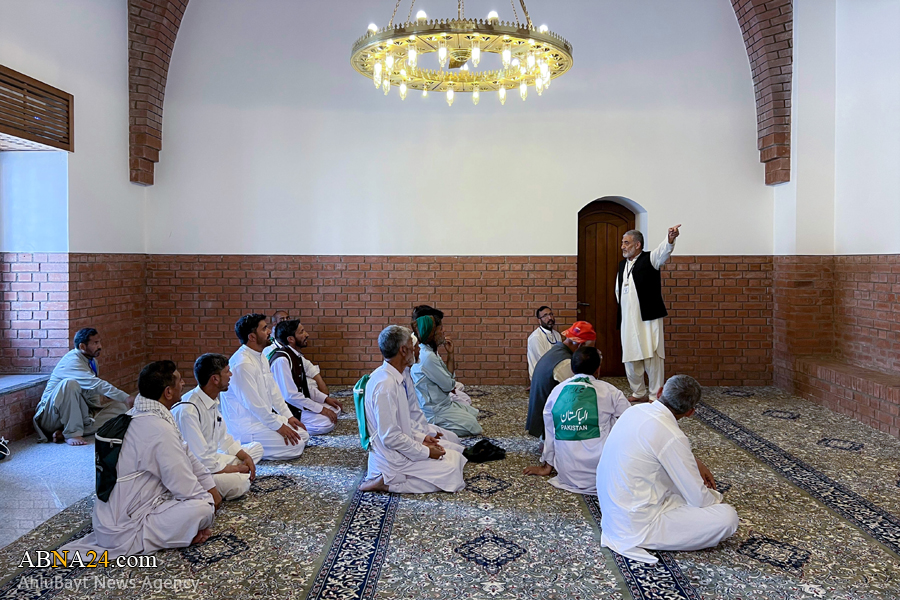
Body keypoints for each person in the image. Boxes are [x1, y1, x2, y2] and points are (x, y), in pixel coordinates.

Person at [62, 361, 221, 558]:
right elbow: (183, 485)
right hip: (125, 528)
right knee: (202, 509)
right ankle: (173, 535)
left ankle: (183, 532)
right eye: (180, 381)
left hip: (121, 514)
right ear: (168, 392)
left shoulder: (142, 414)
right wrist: (209, 502)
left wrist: (210, 487)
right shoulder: (157, 428)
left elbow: (186, 454)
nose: (183, 384)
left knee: (207, 492)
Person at [596, 374, 739, 564]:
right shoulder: (672, 436)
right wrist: (715, 497)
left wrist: (693, 461)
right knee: (727, 517)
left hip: (612, 513)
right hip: (637, 525)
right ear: (690, 412)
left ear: (660, 392)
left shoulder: (634, 411)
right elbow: (699, 500)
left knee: (676, 483)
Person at [359, 325, 467, 494]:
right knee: (452, 474)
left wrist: (421, 437)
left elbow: (403, 421)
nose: (417, 349)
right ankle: (387, 483)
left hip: (400, 446)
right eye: (412, 344)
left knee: (455, 456)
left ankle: (396, 477)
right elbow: (390, 437)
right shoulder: (385, 385)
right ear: (403, 350)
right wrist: (425, 451)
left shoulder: (395, 376)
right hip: (392, 457)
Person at [523, 347, 630, 494]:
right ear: (598, 369)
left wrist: (547, 466)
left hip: (567, 474)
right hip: (602, 473)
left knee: (556, 426)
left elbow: (550, 432)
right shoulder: (610, 391)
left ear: (572, 369)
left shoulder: (557, 392)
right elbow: (632, 421)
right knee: (620, 420)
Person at [173, 353, 264, 501]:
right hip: (197, 472)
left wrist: (245, 457)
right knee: (240, 484)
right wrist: (236, 469)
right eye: (227, 371)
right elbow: (201, 461)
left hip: (213, 458)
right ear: (215, 379)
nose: (231, 374)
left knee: (256, 449)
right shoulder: (188, 411)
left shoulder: (211, 399)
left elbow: (224, 438)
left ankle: (235, 473)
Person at [220, 314, 309, 460]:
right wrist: (279, 427)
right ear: (252, 337)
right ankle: (244, 448)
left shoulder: (260, 356)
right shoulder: (243, 364)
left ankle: (261, 446)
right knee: (296, 446)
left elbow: (273, 391)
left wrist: (288, 416)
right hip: (246, 427)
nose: (269, 332)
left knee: (303, 435)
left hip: (262, 420)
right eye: (264, 329)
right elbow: (254, 405)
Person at [33, 328, 132, 446]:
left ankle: (64, 432)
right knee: (69, 384)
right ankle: (72, 433)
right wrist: (126, 397)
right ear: (82, 346)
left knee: (121, 408)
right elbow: (97, 384)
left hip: (78, 413)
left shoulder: (91, 361)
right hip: (51, 417)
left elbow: (92, 392)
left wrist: (94, 413)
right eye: (95, 343)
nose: (100, 346)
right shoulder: (72, 361)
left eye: (99, 342)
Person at [616, 225, 680, 402]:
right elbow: (618, 291)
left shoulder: (650, 259)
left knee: (652, 356)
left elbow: (663, 252)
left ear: (637, 245)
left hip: (648, 318)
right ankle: (638, 392)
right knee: (630, 357)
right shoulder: (622, 265)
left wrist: (670, 238)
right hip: (628, 320)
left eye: (626, 243)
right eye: (622, 243)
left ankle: (654, 394)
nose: (622, 246)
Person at [410, 309, 482, 437]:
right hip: (435, 411)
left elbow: (448, 378)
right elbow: (449, 385)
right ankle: (431, 428)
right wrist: (449, 382)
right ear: (432, 334)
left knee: (473, 413)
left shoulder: (429, 350)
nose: (444, 331)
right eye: (440, 329)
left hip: (443, 402)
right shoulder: (427, 357)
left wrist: (450, 354)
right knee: (474, 427)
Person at [268, 319, 343, 435]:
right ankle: (291, 426)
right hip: (289, 410)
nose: (306, 334)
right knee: (326, 423)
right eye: (301, 332)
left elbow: (304, 387)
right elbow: (290, 396)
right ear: (291, 339)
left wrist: (325, 399)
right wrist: (321, 409)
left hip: (297, 406)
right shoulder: (281, 360)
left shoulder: (295, 355)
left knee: (335, 409)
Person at [526, 321, 596, 438]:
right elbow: (579, 394)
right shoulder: (565, 363)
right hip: (546, 425)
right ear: (581, 346)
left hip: (541, 415)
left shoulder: (556, 351)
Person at [264, 311, 330, 396]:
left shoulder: (293, 351)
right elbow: (289, 395)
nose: (286, 320)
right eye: (282, 319)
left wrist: (325, 398)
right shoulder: (278, 357)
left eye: (287, 318)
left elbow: (309, 368)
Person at [527, 306, 563, 380]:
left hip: (554, 377)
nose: (550, 318)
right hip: (540, 379)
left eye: (551, 314)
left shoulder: (557, 335)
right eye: (545, 316)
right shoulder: (536, 337)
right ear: (539, 321)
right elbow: (545, 361)